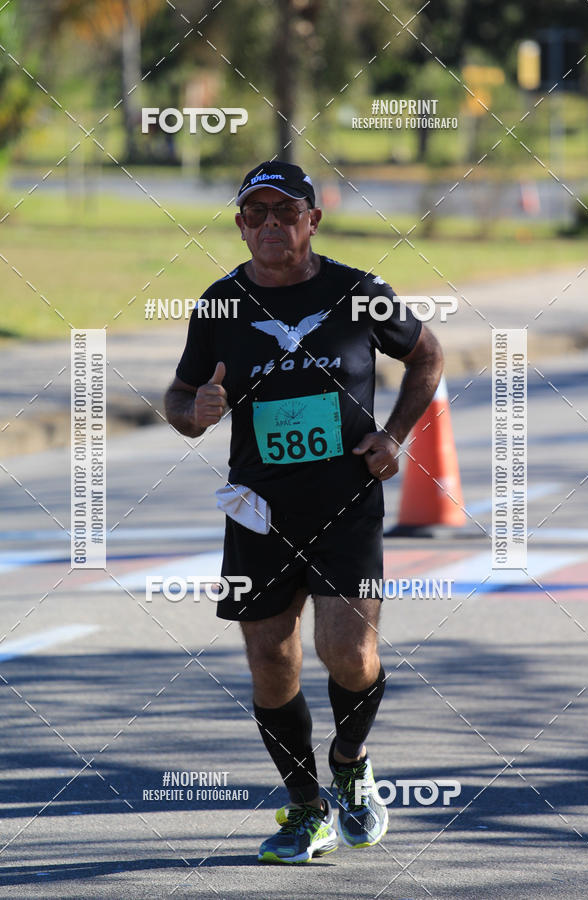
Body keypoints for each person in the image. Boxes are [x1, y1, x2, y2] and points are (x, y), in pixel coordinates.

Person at [165, 161, 444, 864]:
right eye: (253, 213)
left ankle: (349, 763)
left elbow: (427, 357)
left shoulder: (358, 292)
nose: (268, 226)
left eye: (283, 212)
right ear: (239, 225)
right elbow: (179, 396)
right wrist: (191, 414)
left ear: (312, 221)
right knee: (270, 660)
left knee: (350, 654)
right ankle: (304, 806)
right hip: (258, 510)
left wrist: (393, 437)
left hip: (346, 503)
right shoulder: (220, 303)